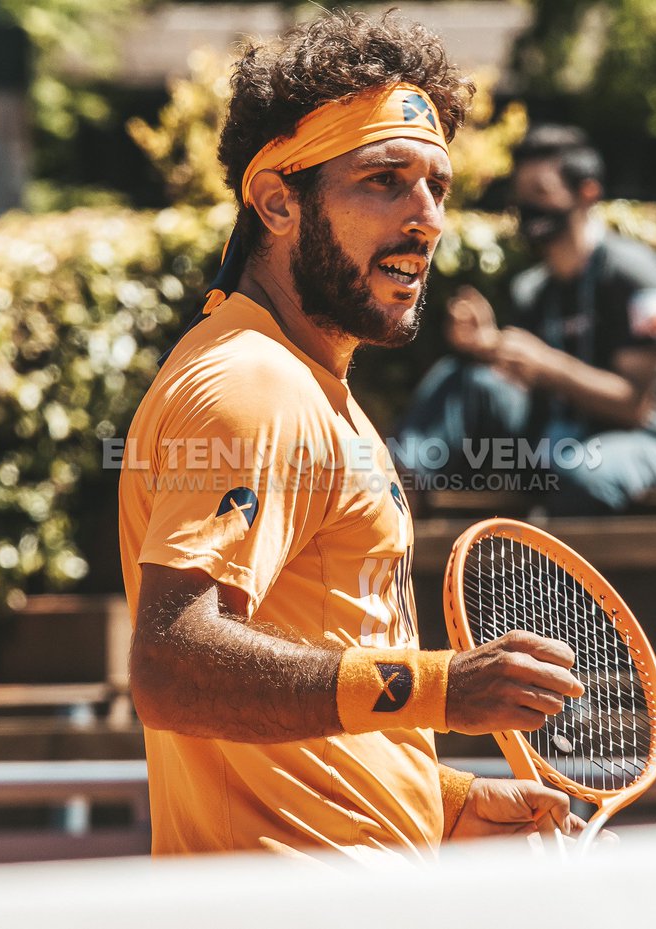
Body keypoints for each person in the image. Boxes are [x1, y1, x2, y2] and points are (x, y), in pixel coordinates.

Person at [118, 12, 588, 861]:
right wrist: (443, 685)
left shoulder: (306, 384)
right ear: (276, 201)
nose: (427, 217)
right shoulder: (252, 383)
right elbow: (173, 664)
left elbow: (326, 685)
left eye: (437, 186)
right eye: (385, 179)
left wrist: (446, 799)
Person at [397, 125, 656, 515]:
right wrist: (490, 347)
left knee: (582, 474)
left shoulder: (636, 279)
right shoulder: (535, 290)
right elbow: (527, 387)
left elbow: (636, 406)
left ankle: (543, 575)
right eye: (520, 196)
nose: (527, 208)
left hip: (642, 439)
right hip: (559, 435)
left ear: (586, 193)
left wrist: (543, 363)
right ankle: (395, 515)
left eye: (540, 193)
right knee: (465, 382)